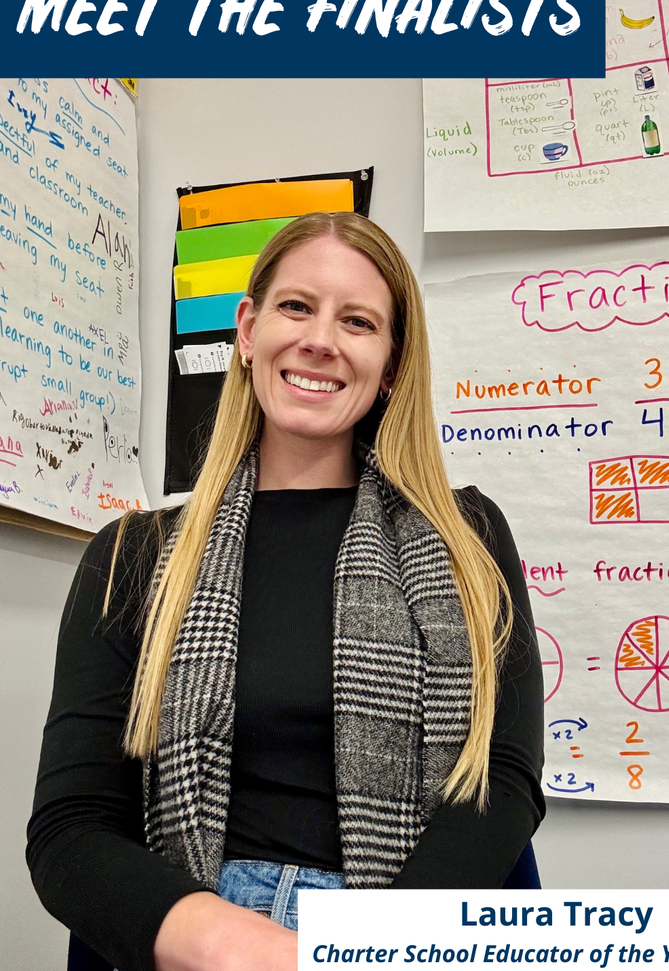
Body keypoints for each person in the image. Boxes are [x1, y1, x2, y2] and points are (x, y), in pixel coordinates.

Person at [27, 212, 545, 971]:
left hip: (402, 936)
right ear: (248, 329)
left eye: (358, 321)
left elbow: (502, 781)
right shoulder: (131, 557)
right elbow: (71, 829)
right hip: (200, 938)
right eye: (297, 306)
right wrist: (250, 949)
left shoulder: (469, 539)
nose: (320, 340)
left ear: (392, 363)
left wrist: (373, 951)